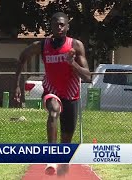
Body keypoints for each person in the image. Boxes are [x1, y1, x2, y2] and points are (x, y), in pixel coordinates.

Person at [14, 12, 91, 176]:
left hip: (71, 94)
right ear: (51, 26)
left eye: (63, 24)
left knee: (66, 139)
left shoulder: (76, 46)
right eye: (56, 24)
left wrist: (72, 64)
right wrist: (17, 85)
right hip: (51, 90)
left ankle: (61, 165)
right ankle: (51, 154)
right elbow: (22, 58)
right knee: (54, 111)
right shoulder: (42, 46)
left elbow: (87, 77)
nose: (59, 27)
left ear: (68, 27)